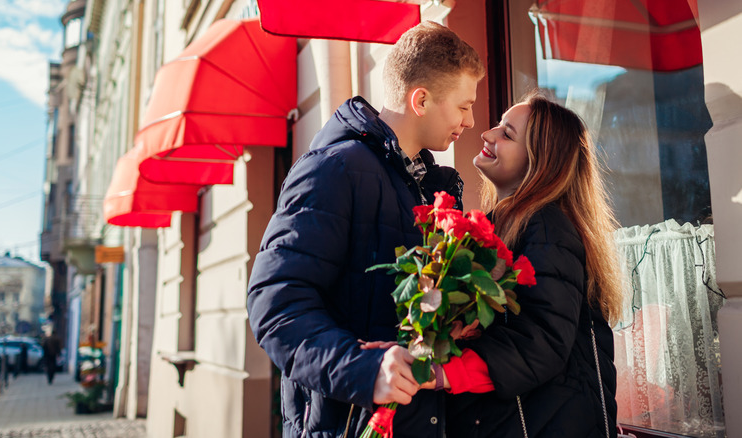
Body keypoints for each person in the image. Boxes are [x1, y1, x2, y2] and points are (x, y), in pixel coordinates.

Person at [247, 22, 484, 438]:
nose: (470, 120)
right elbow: (275, 305)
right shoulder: (334, 169)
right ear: (421, 100)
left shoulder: (431, 185)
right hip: (345, 425)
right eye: (464, 106)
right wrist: (364, 369)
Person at [427, 92, 625, 437]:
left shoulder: (548, 225)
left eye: (507, 133)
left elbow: (543, 337)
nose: (488, 134)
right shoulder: (505, 224)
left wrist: (445, 372)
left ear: (541, 161)